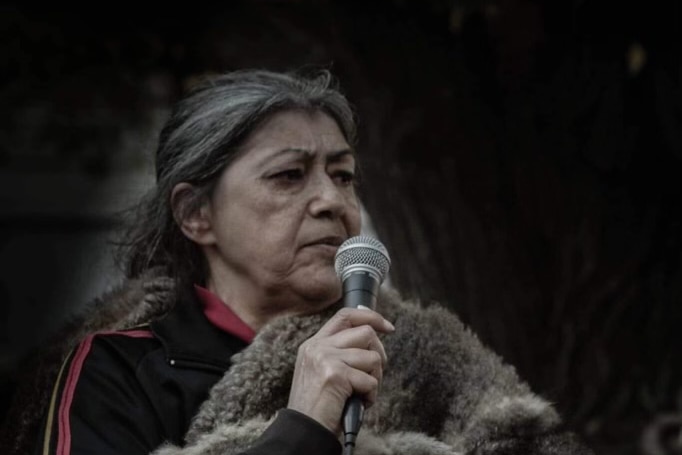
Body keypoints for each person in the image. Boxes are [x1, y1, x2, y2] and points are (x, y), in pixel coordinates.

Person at [1, 68, 593, 455]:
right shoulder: (118, 370)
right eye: (289, 176)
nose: (333, 202)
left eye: (343, 176)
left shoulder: (429, 359)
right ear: (196, 216)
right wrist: (304, 424)